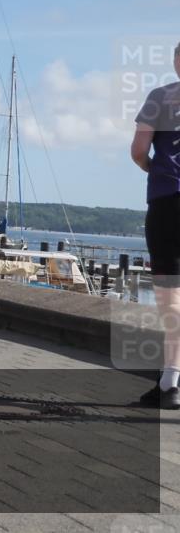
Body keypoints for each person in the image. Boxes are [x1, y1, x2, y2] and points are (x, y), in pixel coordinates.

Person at [132, 41, 180, 409]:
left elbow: (138, 150)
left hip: (169, 201)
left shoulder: (160, 97)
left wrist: (155, 170)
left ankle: (170, 383)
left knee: (170, 295)